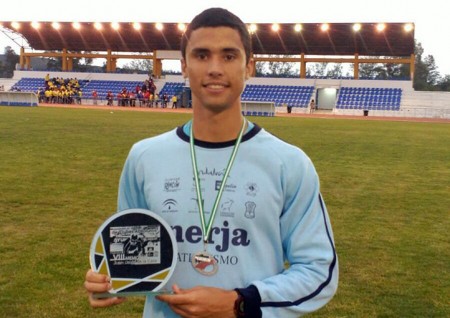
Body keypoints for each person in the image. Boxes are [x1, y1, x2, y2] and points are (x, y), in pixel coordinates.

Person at [84, 7, 338, 318]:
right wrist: (107, 278)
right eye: (202, 55)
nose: (214, 68)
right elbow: (130, 253)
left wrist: (239, 303)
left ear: (249, 67)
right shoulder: (144, 157)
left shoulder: (288, 163)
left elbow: (318, 270)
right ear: (184, 67)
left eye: (229, 56)